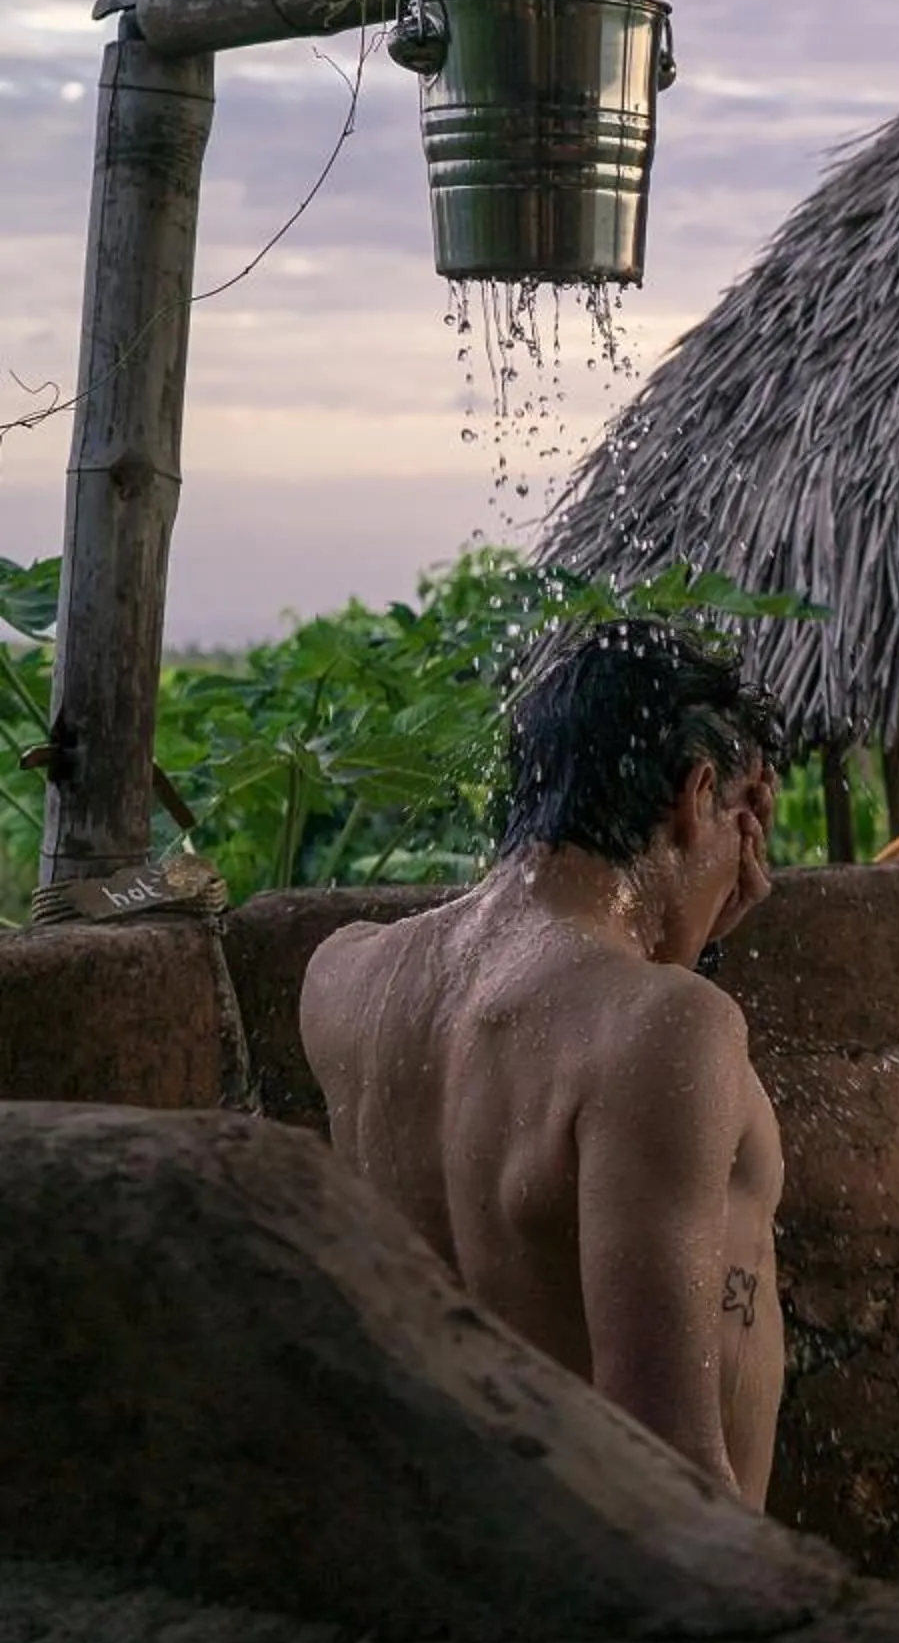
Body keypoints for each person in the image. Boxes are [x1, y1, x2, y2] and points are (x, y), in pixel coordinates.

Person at [303, 619, 789, 1506]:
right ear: (698, 794)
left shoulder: (346, 980)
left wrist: (681, 940)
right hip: (625, 1576)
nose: (751, 863)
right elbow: (665, 1465)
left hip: (449, 1547)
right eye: (746, 822)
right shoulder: (665, 1029)